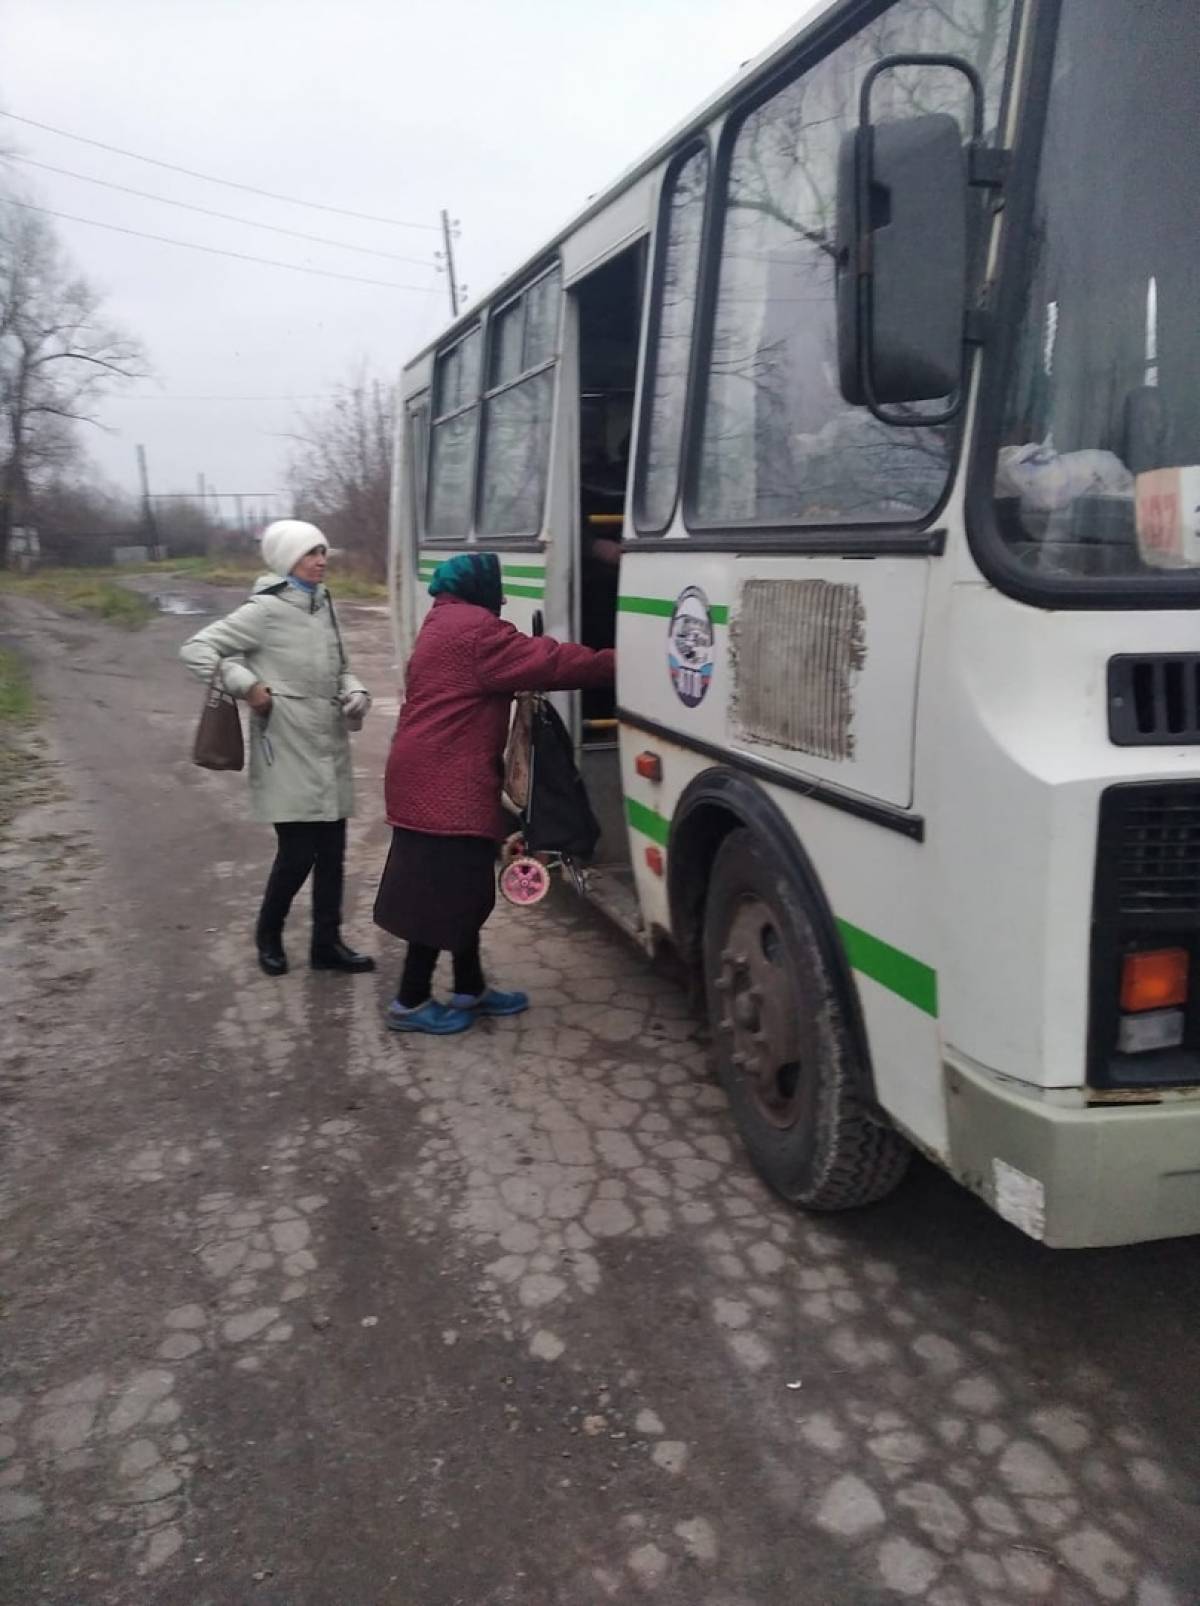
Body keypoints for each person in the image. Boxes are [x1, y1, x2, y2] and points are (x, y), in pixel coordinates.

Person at [375, 551, 615, 1035]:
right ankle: (411, 999)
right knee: (442, 892)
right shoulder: (477, 632)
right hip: (443, 779)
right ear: (479, 588)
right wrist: (619, 661)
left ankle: (470, 988)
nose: (503, 598)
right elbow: (549, 661)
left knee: (463, 886)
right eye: (497, 589)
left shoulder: (443, 620)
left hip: (428, 770)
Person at [180, 519, 375, 978]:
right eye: (311, 553)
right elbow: (197, 648)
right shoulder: (263, 610)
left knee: (332, 855)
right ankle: (268, 934)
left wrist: (357, 691)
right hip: (285, 748)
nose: (321, 561)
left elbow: (342, 668)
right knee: (296, 855)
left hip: (329, 746)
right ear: (289, 558)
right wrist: (247, 685)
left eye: (323, 552)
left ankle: (327, 944)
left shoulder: (324, 604)